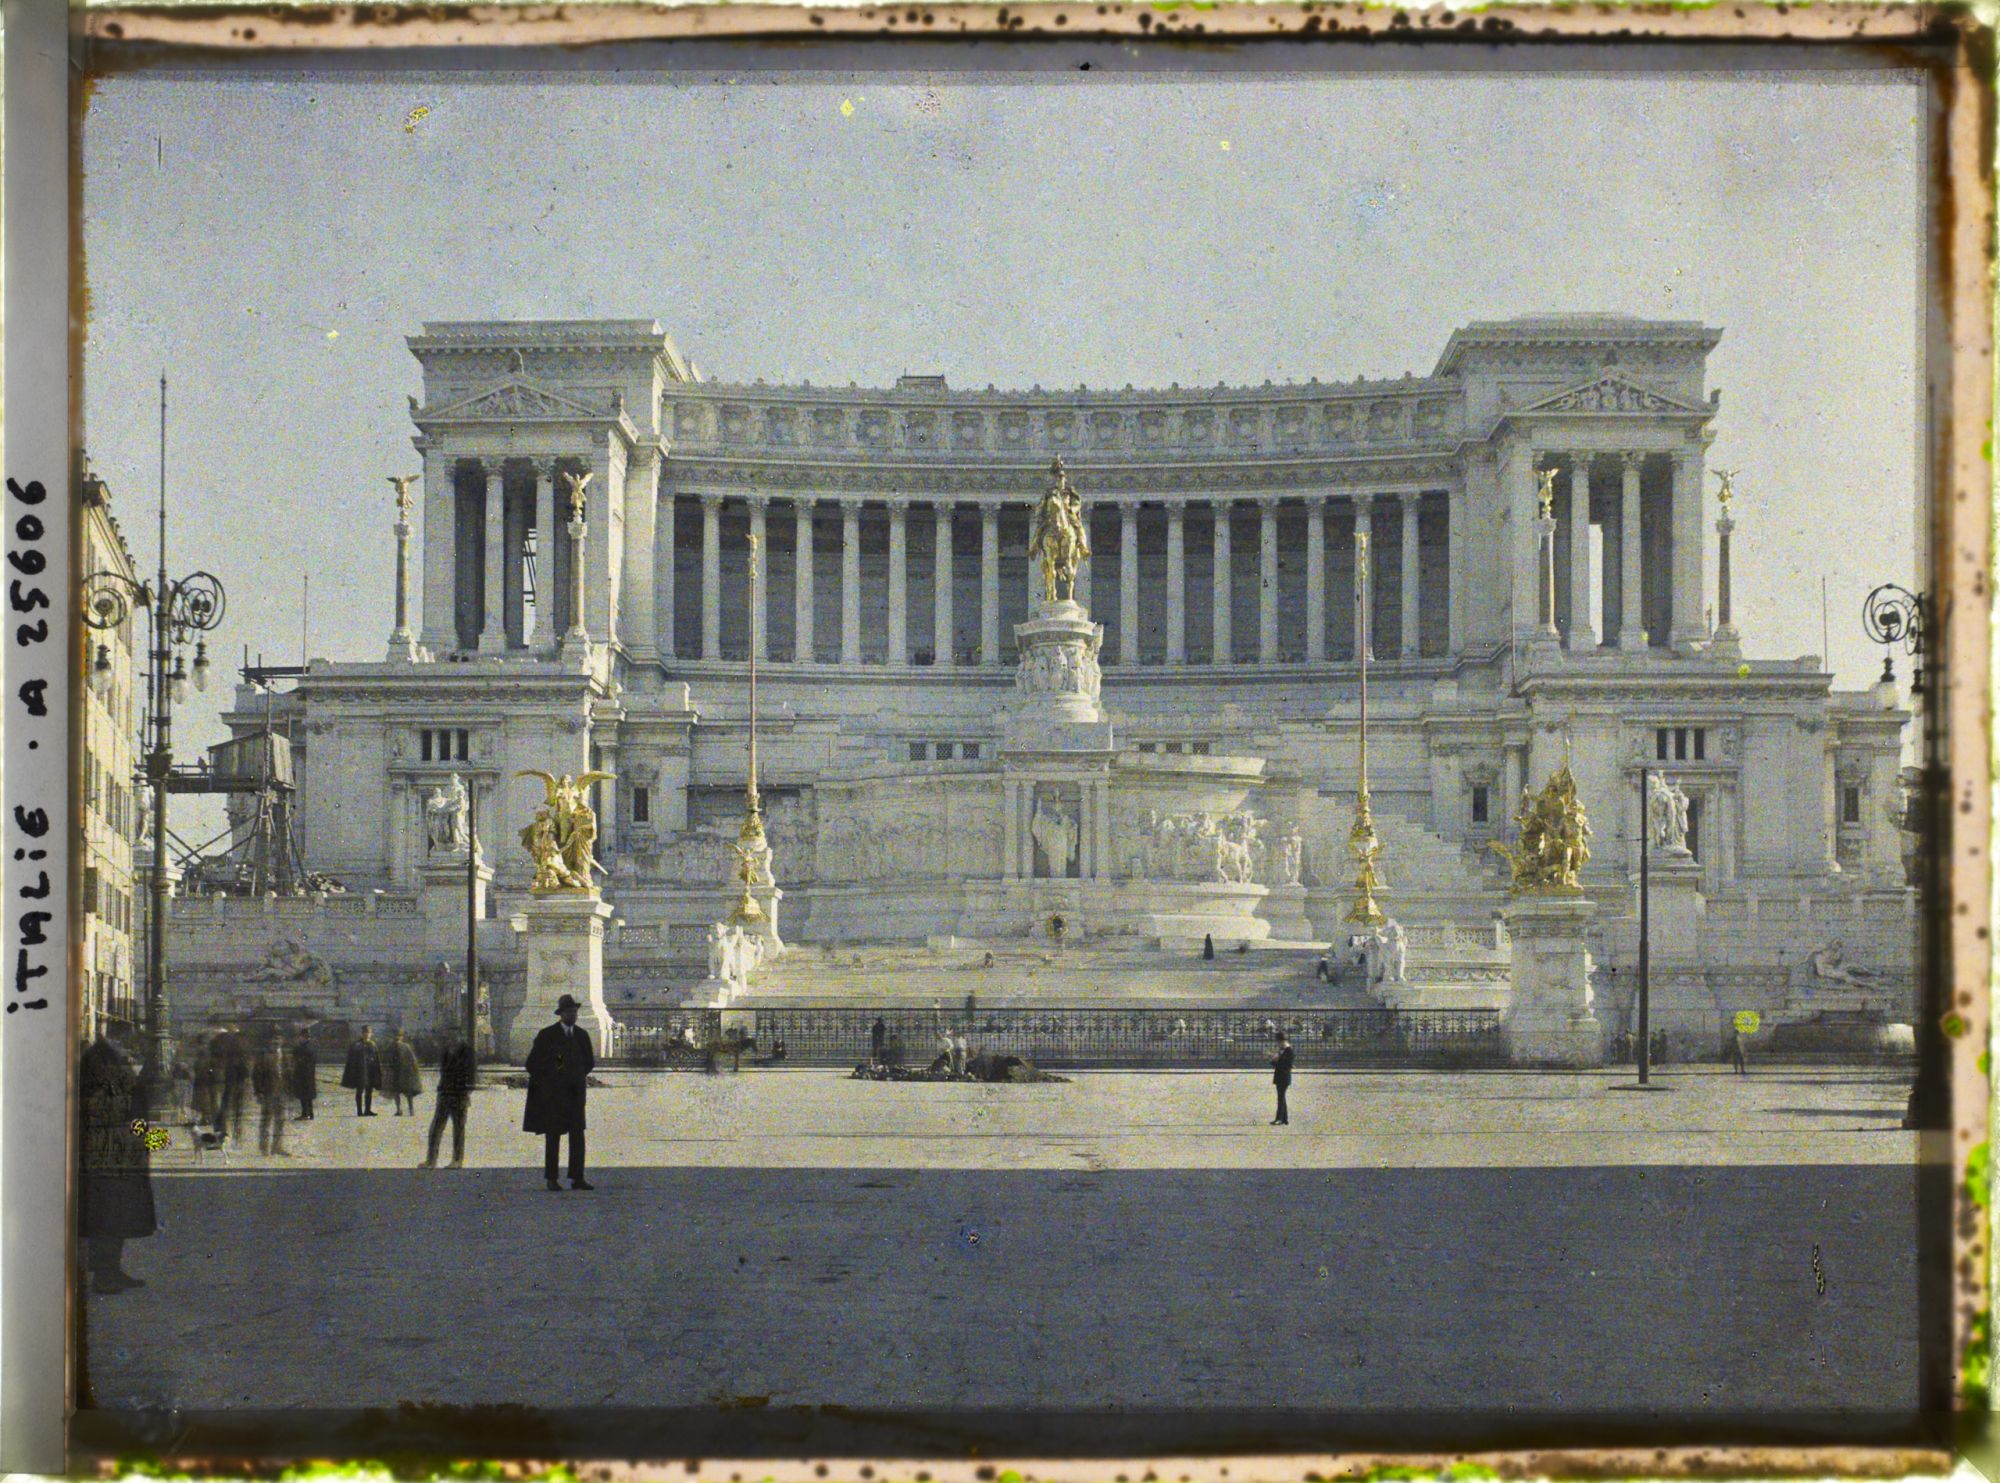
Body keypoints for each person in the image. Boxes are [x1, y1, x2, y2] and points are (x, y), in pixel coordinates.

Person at [78, 1028, 157, 1293]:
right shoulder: (114, 1082)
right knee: (110, 1219)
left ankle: (110, 1271)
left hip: (105, 1159)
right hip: (113, 1161)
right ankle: (105, 1275)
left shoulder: (93, 1079)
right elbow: (133, 1123)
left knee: (109, 1218)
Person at [524, 993, 594, 1191]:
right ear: (561, 1014)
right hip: (554, 1096)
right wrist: (552, 1078)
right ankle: (552, 1178)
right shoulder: (547, 1035)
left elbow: (589, 1062)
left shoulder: (581, 1035)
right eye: (569, 1011)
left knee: (577, 1136)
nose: (573, 1015)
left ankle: (577, 1177)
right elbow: (532, 1064)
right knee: (553, 1136)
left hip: (575, 1095)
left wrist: (576, 1077)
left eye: (575, 1011)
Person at [423, 1029, 476, 1169]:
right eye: (448, 1037)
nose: (450, 1040)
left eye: (452, 1037)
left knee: (458, 1128)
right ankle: (431, 1160)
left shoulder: (467, 1051)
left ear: (459, 1036)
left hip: (459, 1095)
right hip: (445, 1093)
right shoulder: (446, 1051)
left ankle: (457, 1160)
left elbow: (471, 1076)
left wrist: (466, 1093)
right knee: (436, 1127)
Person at [250, 1029, 290, 1156]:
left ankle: (277, 1147)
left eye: (278, 1039)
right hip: (268, 1092)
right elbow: (256, 1075)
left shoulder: (285, 1055)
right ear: (269, 1041)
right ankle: (264, 1148)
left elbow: (289, 1075)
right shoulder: (263, 1056)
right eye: (273, 1039)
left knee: (281, 1120)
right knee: (266, 1120)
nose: (276, 1042)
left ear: (283, 1041)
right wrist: (258, 1092)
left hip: (282, 1092)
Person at [217, 1026, 250, 1144]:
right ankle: (236, 1134)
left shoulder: (226, 1051)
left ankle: (225, 1133)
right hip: (237, 1084)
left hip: (229, 1084)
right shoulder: (242, 1052)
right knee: (237, 1110)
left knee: (226, 1108)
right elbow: (246, 1070)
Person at [342, 1026, 382, 1116]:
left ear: (371, 1034)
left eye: (368, 1032)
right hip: (360, 1072)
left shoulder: (373, 1045)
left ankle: (367, 1110)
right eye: (365, 1032)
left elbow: (376, 1059)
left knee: (369, 1091)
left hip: (370, 1071)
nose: (366, 1034)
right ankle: (359, 1111)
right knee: (359, 1091)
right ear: (362, 1033)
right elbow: (352, 1060)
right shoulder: (357, 1045)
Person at [385, 1028, 424, 1116]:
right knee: (396, 1092)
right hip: (395, 1071)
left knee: (408, 1092)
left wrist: (413, 1069)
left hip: (405, 1072)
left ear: (402, 1037)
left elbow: (412, 1059)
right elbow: (388, 1058)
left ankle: (411, 1109)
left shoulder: (406, 1046)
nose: (397, 1038)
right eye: (395, 1036)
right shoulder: (391, 1046)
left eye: (399, 1036)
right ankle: (399, 1109)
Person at [290, 1028, 318, 1120]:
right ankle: (310, 1114)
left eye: (301, 1037)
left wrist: (297, 1061)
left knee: (304, 1096)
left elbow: (298, 1059)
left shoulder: (304, 1047)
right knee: (307, 1096)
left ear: (303, 1037)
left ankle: (305, 1114)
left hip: (303, 1075)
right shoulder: (311, 1046)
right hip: (308, 1075)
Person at [1270, 1031, 1294, 1126]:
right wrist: (1272, 1059)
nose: (1278, 1044)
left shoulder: (1289, 1050)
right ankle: (1284, 1118)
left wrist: (1277, 1059)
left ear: (1283, 1041)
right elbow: (1277, 1064)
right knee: (1281, 1097)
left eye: (1279, 1042)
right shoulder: (1282, 1050)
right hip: (1280, 1076)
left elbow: (1287, 1064)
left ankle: (1280, 1119)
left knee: (1281, 1097)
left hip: (1284, 1076)